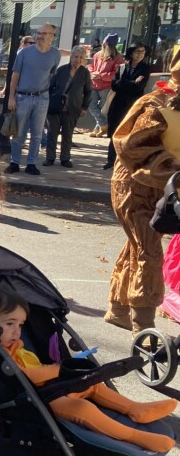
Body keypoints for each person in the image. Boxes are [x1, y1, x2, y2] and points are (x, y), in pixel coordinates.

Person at [0, 285, 174, 453]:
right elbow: (26, 375)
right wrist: (60, 370)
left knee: (93, 385)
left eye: (21, 324)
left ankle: (135, 409)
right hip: (37, 399)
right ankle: (135, 437)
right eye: (9, 324)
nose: (17, 331)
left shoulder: (17, 345)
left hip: (53, 386)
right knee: (82, 408)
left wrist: (61, 372)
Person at [105, 49, 180, 334]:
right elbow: (133, 146)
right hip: (135, 186)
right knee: (149, 250)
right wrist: (171, 168)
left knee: (138, 246)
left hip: (165, 189)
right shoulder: (156, 104)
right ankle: (144, 326)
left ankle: (118, 308)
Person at [7, 23, 62, 176]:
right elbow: (14, 76)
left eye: (44, 33)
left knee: (37, 134)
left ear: (52, 36)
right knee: (19, 133)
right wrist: (11, 97)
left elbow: (51, 74)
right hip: (23, 97)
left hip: (42, 97)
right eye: (38, 33)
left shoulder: (55, 54)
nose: (40, 36)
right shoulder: (24, 53)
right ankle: (15, 162)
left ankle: (31, 163)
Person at [104, 42, 151, 170]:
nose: (140, 54)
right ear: (131, 52)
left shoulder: (145, 68)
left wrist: (124, 83)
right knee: (115, 132)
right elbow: (114, 85)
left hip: (133, 104)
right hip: (118, 104)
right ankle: (111, 160)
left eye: (142, 52)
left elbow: (138, 87)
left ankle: (124, 162)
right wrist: (131, 82)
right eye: (137, 51)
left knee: (129, 134)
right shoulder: (122, 67)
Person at [44, 46, 92, 168]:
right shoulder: (62, 70)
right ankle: (50, 158)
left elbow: (88, 92)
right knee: (52, 134)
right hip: (56, 108)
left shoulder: (85, 73)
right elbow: (50, 86)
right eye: (76, 57)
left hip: (73, 108)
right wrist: (50, 101)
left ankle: (65, 158)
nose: (78, 59)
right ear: (71, 57)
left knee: (68, 134)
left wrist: (85, 107)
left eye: (81, 57)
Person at [89, 34, 124, 137]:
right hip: (94, 85)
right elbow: (92, 66)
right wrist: (92, 73)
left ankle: (98, 128)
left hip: (107, 86)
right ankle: (103, 124)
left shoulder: (118, 58)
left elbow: (116, 74)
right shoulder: (97, 55)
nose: (103, 46)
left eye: (106, 44)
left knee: (102, 109)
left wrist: (101, 76)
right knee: (91, 105)